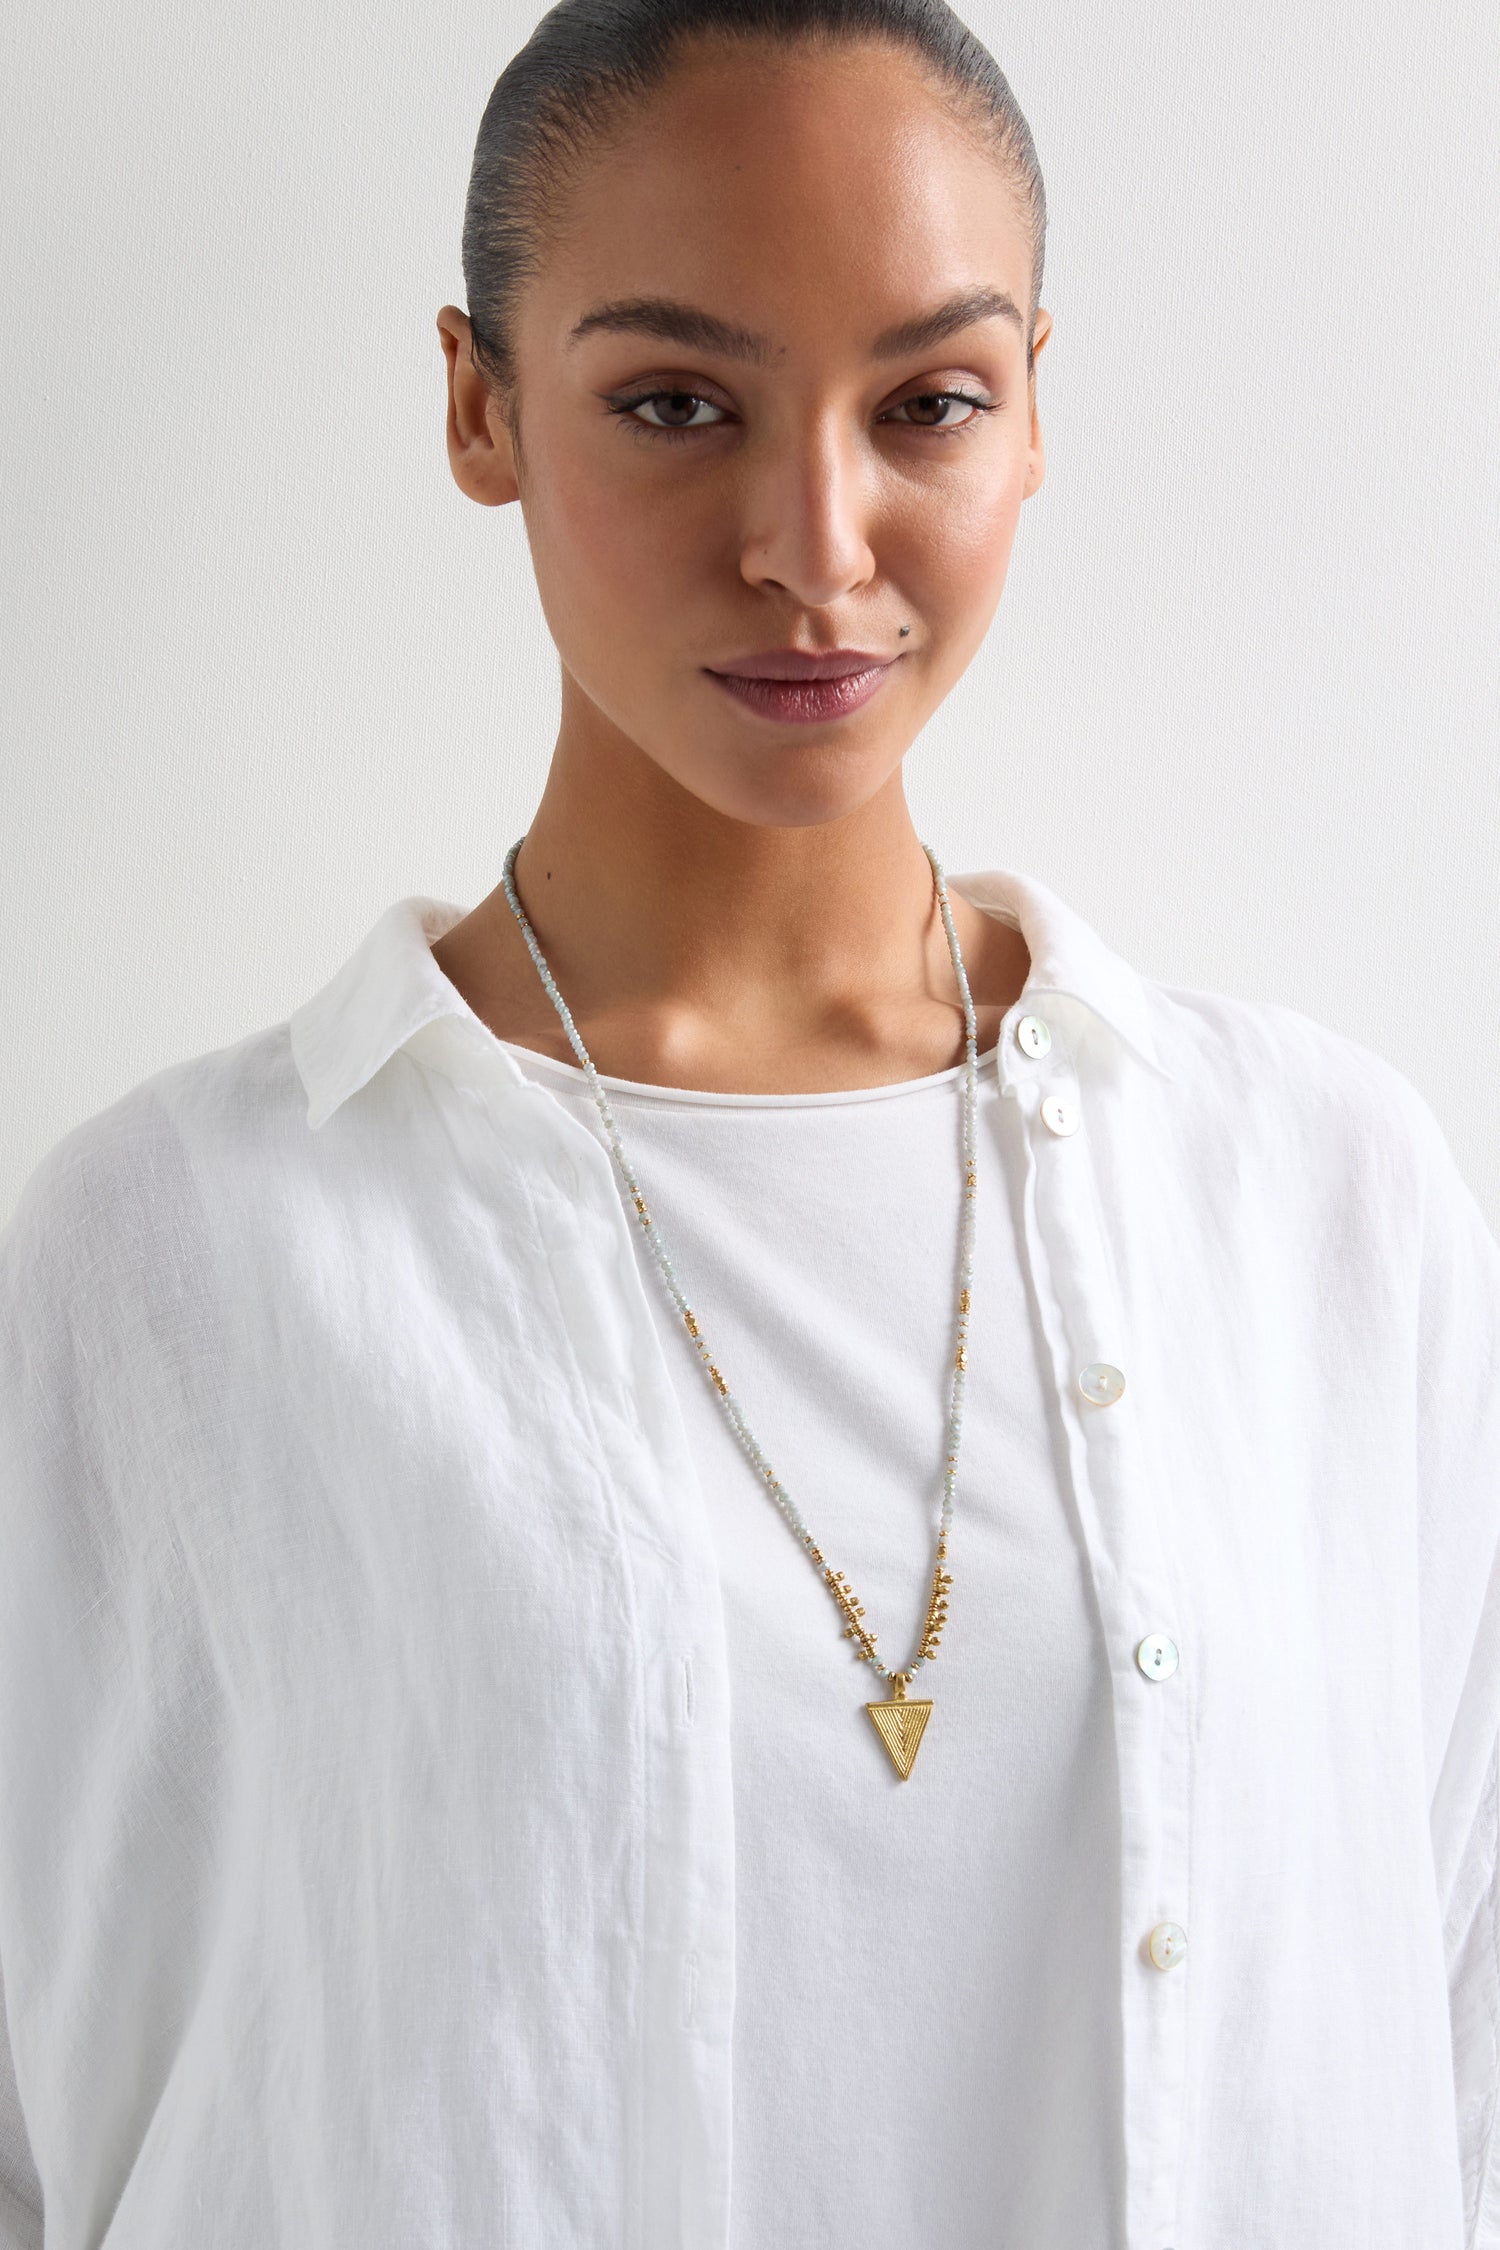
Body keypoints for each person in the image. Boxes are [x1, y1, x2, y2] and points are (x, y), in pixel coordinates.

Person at [1, 2, 1497, 2244]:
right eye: (678, 403)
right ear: (481, 405)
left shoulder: (1324, 1198)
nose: (816, 542)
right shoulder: (179, 1248)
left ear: (1031, 412)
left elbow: (1447, 2040)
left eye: (930, 404)